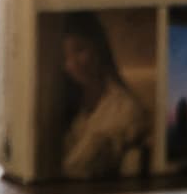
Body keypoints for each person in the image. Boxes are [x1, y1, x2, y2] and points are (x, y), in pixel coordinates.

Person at [49, 14, 150, 182]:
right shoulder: (66, 104)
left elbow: (78, 169)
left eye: (80, 50)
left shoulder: (125, 107)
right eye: (65, 57)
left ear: (99, 48)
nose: (73, 63)